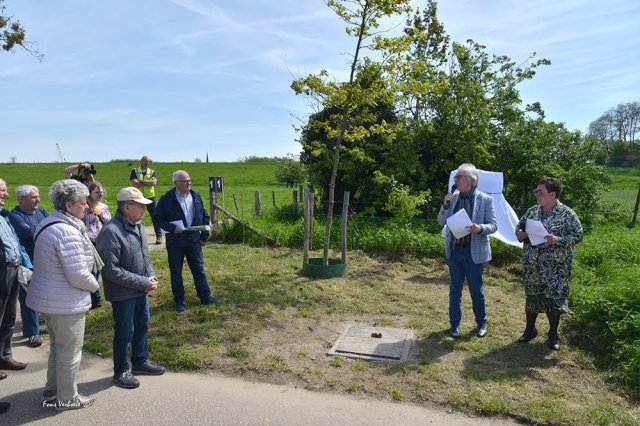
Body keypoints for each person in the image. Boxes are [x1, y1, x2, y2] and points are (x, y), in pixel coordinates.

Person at [26, 179, 102, 411]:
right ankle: (67, 398)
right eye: (82, 203)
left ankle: (52, 391)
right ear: (68, 206)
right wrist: (96, 287)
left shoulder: (49, 222)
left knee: (58, 348)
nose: (87, 207)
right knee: (70, 352)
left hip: (50, 298)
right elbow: (78, 274)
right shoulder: (67, 231)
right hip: (65, 301)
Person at [96, 187, 166, 389]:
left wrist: (150, 276)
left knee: (142, 326)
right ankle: (120, 371)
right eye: (140, 205)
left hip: (139, 290)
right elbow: (110, 270)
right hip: (122, 293)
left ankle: (140, 362)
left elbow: (145, 256)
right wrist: (143, 282)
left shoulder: (138, 226)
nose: (145, 208)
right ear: (126, 207)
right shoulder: (111, 231)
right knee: (125, 332)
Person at [515, 177, 583, 350]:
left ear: (553, 195)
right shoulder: (532, 211)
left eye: (540, 192)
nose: (537, 195)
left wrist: (558, 240)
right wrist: (520, 234)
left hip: (556, 268)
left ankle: (553, 334)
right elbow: (519, 228)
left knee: (554, 300)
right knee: (532, 296)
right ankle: (530, 330)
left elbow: (577, 236)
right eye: (536, 192)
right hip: (532, 265)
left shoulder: (567, 214)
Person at [437, 163, 497, 339]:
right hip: (455, 251)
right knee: (455, 290)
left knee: (476, 290)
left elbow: (493, 226)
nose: (455, 180)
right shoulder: (453, 198)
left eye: (458, 177)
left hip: (474, 253)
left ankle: (481, 322)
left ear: (470, 180)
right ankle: (454, 325)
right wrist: (446, 205)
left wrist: (478, 228)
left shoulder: (486, 200)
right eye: (455, 177)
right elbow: (441, 221)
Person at [154, 170, 220, 312]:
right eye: (184, 181)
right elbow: (158, 219)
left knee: (199, 270)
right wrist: (172, 228)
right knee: (176, 272)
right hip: (175, 242)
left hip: (193, 240)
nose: (188, 183)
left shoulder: (195, 196)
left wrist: (204, 236)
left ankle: (205, 297)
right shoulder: (166, 199)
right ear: (176, 183)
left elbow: (205, 216)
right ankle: (179, 301)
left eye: (189, 180)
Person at [0, 178, 33, 413]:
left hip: (13, 269)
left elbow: (17, 244)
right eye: (1, 189)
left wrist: (28, 264)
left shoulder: (4, 216)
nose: (6, 193)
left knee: (9, 319)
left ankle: (4, 356)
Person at [8, 184, 48, 347]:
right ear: (22, 199)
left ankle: (37, 325)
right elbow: (28, 233)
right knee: (28, 296)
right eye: (33, 197)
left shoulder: (42, 212)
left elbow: (47, 230)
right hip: (27, 262)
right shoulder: (15, 216)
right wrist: (43, 230)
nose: (38, 199)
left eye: (38, 196)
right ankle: (32, 333)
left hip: (44, 259)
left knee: (42, 293)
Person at [83, 181, 111, 309]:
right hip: (89, 242)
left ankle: (94, 298)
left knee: (98, 269)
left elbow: (109, 223)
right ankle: (96, 299)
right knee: (92, 271)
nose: (100, 194)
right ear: (89, 193)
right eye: (97, 192)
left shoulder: (104, 206)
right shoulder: (84, 206)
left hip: (103, 241)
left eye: (101, 191)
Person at [130, 156, 162, 245]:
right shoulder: (135, 170)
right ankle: (136, 237)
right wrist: (147, 182)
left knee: (155, 216)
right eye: (146, 160)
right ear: (141, 161)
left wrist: (141, 181)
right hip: (138, 197)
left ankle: (159, 236)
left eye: (149, 161)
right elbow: (135, 184)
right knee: (136, 216)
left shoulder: (152, 172)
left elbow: (154, 183)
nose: (148, 162)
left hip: (150, 197)